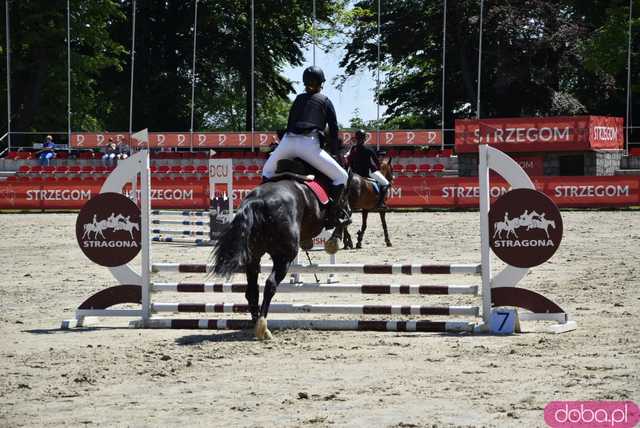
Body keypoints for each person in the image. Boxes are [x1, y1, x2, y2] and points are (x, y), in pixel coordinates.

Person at [261, 65, 350, 228]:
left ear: (304, 82)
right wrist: (336, 153)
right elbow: (334, 129)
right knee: (341, 177)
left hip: (287, 143)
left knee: (266, 171)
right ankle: (332, 216)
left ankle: (260, 208)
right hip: (309, 144)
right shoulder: (325, 100)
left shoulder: (298, 99)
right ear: (321, 83)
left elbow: (289, 123)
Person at [347, 129, 390, 208]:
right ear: (365, 138)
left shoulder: (353, 149)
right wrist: (377, 168)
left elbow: (350, 161)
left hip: (355, 173)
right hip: (368, 172)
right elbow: (376, 162)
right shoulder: (369, 148)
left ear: (356, 138)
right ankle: (381, 203)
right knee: (386, 183)